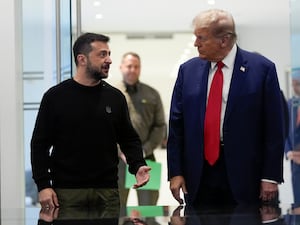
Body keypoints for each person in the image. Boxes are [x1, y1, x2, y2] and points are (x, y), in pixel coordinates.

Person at [167, 9, 285, 208]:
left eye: (201, 38)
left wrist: (270, 176)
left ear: (224, 40)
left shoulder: (262, 69)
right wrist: (176, 172)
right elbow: (176, 125)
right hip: (198, 175)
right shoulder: (188, 71)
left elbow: (274, 128)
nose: (196, 43)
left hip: (246, 176)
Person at [30, 33, 151, 215]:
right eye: (102, 54)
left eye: (109, 54)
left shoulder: (115, 98)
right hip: (66, 194)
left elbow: (128, 138)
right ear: (82, 59)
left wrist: (138, 165)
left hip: (107, 193)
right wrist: (43, 185)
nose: (109, 60)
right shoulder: (55, 97)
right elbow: (39, 145)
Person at [115, 52, 166, 209]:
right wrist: (120, 150)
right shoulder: (111, 94)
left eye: (136, 66)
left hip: (147, 159)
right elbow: (103, 127)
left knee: (148, 207)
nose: (132, 69)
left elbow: (160, 126)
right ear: (121, 67)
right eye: (129, 66)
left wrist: (143, 151)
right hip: (117, 161)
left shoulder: (152, 94)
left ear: (140, 69)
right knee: (116, 207)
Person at [285, 68, 300, 211]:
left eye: (298, 84)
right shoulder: (289, 105)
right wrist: (289, 152)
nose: (295, 88)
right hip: (295, 159)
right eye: (293, 84)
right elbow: (284, 131)